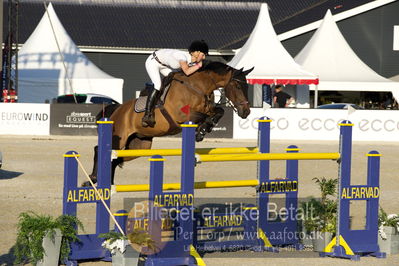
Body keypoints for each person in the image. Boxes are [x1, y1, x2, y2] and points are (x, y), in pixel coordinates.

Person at [142, 40, 209, 127]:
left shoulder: (192, 59)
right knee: (158, 85)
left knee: (175, 79)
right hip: (153, 62)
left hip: (164, 65)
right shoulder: (182, 58)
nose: (204, 58)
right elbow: (187, 72)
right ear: (196, 52)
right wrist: (199, 66)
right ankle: (147, 114)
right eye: (203, 55)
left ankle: (163, 99)